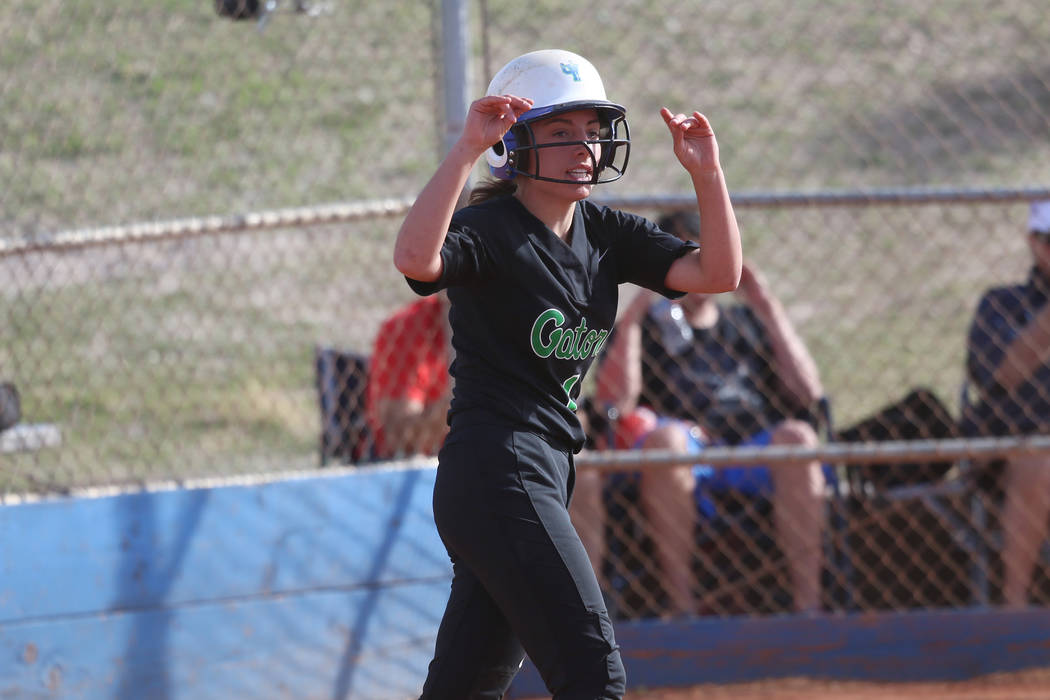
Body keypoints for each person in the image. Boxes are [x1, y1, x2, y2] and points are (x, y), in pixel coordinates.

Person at [393, 49, 741, 699]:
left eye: (591, 130)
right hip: (499, 467)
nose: (584, 146)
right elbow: (416, 259)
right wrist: (468, 149)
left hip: (535, 474)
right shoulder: (491, 228)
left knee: (467, 688)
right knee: (593, 671)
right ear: (515, 143)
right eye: (560, 133)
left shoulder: (605, 233)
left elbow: (717, 276)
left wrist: (709, 176)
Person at [594, 210, 826, 616]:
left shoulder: (745, 323)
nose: (694, 270)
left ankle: (810, 608)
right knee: (666, 442)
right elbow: (614, 404)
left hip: (751, 448)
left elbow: (809, 394)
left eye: (700, 255)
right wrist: (633, 315)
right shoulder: (644, 329)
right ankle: (682, 607)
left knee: (799, 439)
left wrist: (767, 306)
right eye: (679, 258)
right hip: (684, 455)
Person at [962, 199, 1050, 609]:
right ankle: (1014, 609)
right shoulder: (1001, 303)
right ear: (1035, 243)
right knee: (1037, 457)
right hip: (1013, 447)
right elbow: (1003, 373)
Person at [365, 291, 453, 459]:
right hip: (429, 466)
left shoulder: (508, 322)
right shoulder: (408, 327)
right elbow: (402, 440)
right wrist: (462, 400)